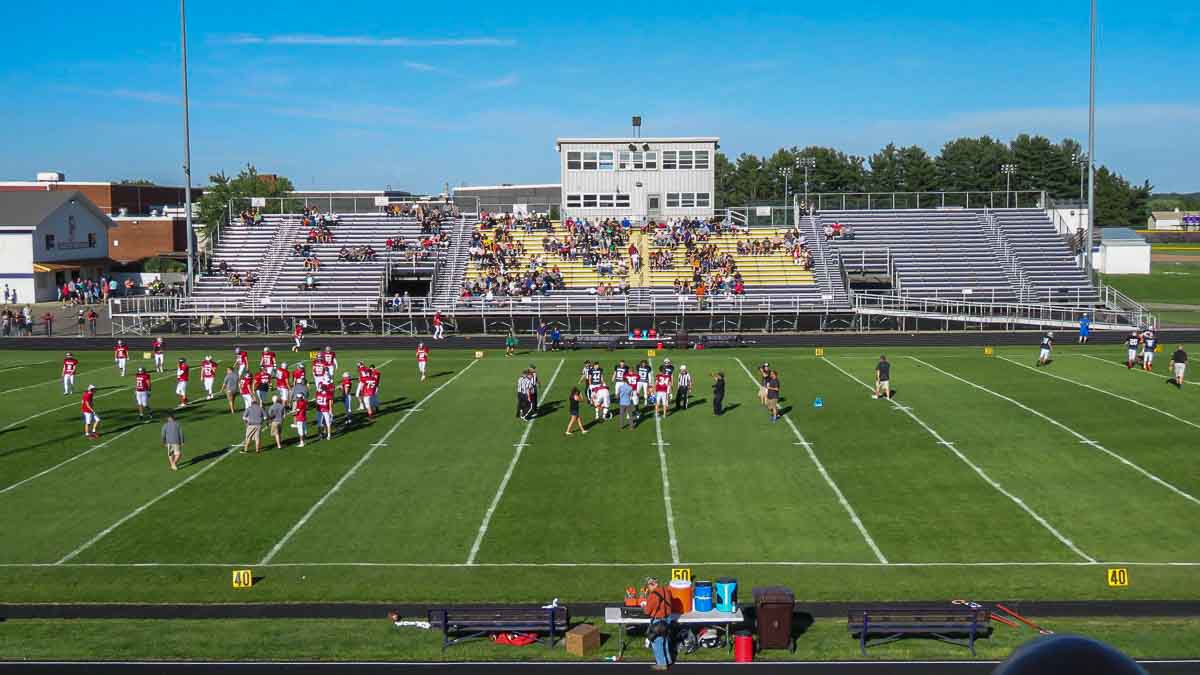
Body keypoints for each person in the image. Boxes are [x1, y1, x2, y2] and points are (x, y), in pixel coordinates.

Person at [642, 576, 674, 670]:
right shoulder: (665, 590)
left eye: (648, 586)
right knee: (665, 641)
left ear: (651, 585)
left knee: (657, 643)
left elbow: (647, 611)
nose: (648, 588)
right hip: (667, 619)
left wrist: (644, 605)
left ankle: (661, 664)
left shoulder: (653, 595)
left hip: (658, 621)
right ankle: (668, 660)